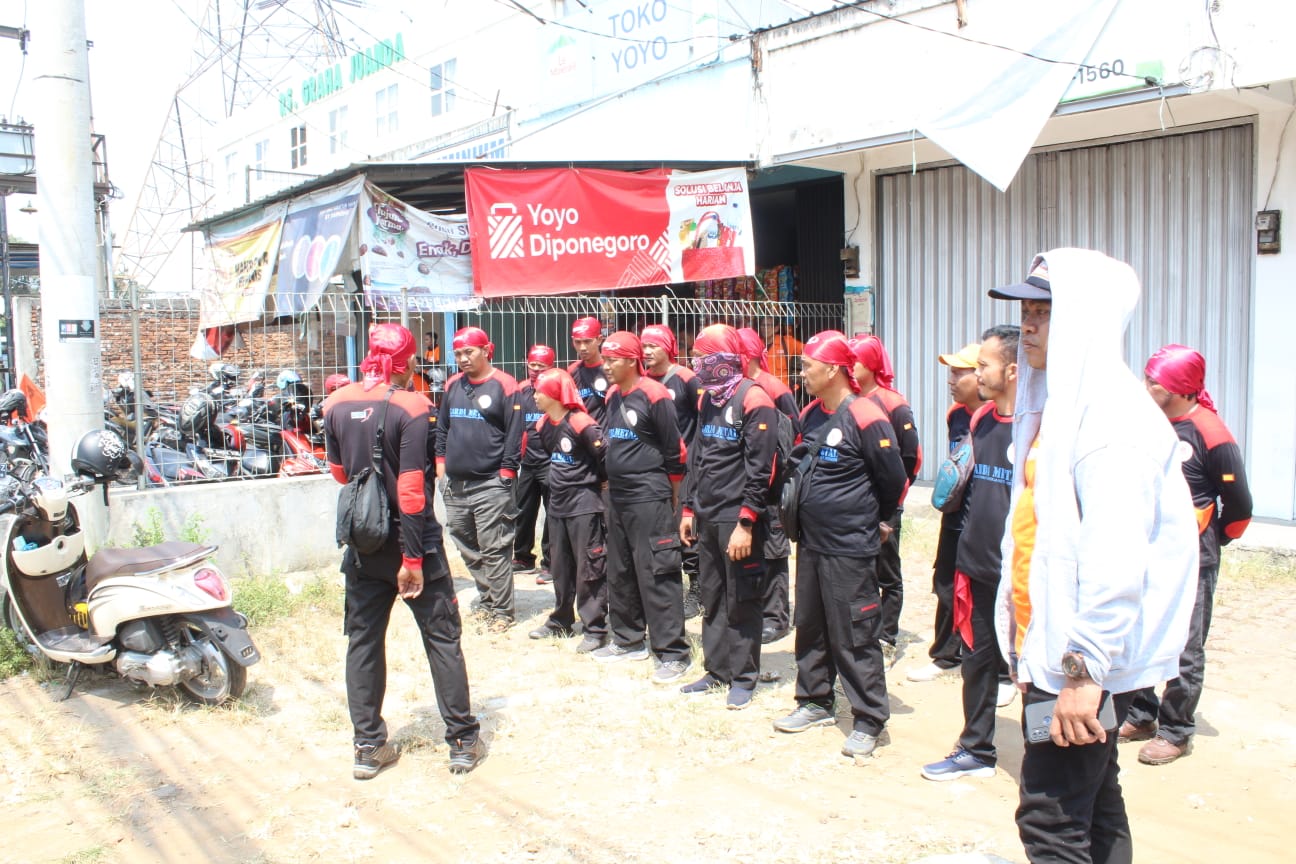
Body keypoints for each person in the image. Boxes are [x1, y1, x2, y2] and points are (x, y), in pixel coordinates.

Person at [990, 251, 1198, 863]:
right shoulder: (1061, 409)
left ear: (1086, 321)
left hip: (1080, 661)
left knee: (1051, 820)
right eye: (1026, 312)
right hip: (1054, 646)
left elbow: (1114, 561)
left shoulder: (1111, 423)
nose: (1028, 326)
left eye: (1044, 313)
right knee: (1097, 802)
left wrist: (1083, 673)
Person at [323, 323, 483, 778]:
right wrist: (412, 559)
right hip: (413, 545)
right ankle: (462, 741)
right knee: (442, 640)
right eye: (413, 357)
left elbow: (340, 473)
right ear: (406, 360)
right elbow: (412, 489)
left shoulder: (335, 404)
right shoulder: (413, 406)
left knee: (363, 642)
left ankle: (367, 746)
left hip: (363, 542)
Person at [771, 331, 906, 757]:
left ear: (832, 370)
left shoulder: (866, 415)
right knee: (810, 624)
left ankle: (869, 718)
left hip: (850, 545)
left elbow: (893, 478)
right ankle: (814, 700)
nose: (802, 373)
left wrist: (883, 521)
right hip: (812, 542)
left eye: (808, 366)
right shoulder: (811, 413)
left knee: (854, 631)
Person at [1118, 345, 1253, 766]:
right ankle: (1141, 713)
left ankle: (1176, 730)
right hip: (1147, 548)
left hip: (1193, 557)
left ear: (1179, 388)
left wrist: (1213, 537)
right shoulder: (1148, 423)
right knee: (1142, 630)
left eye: (1153, 382)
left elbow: (1240, 505)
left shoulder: (1210, 432)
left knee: (1185, 643)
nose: (1145, 387)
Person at [921, 325, 1020, 782]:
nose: (975, 374)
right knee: (977, 663)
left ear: (1012, 371)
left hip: (1021, 576)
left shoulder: (1041, 428)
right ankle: (976, 749)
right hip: (978, 567)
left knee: (1034, 673)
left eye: (983, 366)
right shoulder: (980, 421)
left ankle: (1048, 766)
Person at [679, 324, 778, 709]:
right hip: (708, 514)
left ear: (722, 359)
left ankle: (743, 677)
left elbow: (760, 469)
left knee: (742, 598)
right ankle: (717, 670)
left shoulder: (754, 400)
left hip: (738, 520)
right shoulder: (709, 399)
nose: (695, 363)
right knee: (714, 595)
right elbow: (699, 457)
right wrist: (689, 507)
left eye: (701, 356)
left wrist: (746, 523)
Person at [597, 330, 692, 681]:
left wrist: (674, 497)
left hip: (649, 496)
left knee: (657, 570)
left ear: (631, 360)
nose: (606, 366)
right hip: (618, 496)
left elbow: (674, 449)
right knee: (620, 569)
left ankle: (672, 652)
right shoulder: (612, 395)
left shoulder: (654, 394)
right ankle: (628, 639)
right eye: (605, 359)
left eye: (612, 360)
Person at [907, 342, 986, 683]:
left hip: (984, 520)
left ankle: (994, 667)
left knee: (984, 592)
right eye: (950, 373)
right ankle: (945, 655)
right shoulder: (955, 414)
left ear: (980, 375)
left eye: (958, 373)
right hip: (955, 516)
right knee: (945, 583)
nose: (951, 380)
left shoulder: (1000, 416)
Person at [435, 325, 524, 629]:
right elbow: (442, 428)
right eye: (458, 353)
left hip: (491, 484)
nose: (463, 358)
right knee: (466, 546)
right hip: (454, 485)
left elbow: (515, 434)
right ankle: (488, 598)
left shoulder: (505, 385)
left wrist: (506, 473)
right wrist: (441, 470)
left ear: (486, 350)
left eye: (469, 352)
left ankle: (502, 612)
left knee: (494, 548)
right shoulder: (453, 385)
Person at [526, 368, 610, 652]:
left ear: (554, 394)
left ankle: (594, 627)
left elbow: (604, 457)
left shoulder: (581, 423)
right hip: (558, 505)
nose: (535, 396)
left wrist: (599, 483)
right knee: (560, 567)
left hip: (584, 505)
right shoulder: (542, 425)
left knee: (589, 567)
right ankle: (561, 619)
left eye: (540, 391)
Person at [849, 335, 921, 661]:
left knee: (887, 571)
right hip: (857, 503)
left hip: (885, 504)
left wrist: (893, 503)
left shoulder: (893, 404)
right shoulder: (849, 400)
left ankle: (887, 636)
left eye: (856, 361)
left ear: (872, 365)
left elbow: (911, 457)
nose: (849, 367)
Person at [737, 327, 798, 645]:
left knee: (774, 551)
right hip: (749, 482)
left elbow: (794, 432)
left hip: (772, 486)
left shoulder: (773, 388)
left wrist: (778, 473)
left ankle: (776, 618)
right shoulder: (739, 388)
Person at [641, 323, 705, 620]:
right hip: (655, 469)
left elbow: (704, 418)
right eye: (643, 346)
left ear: (668, 348)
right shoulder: (642, 382)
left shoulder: (686, 379)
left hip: (685, 466)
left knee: (686, 529)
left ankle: (697, 589)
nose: (647, 351)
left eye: (653, 346)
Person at [513, 345, 556, 584]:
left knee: (553, 515)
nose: (536, 370)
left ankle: (551, 563)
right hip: (527, 463)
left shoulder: (556, 390)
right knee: (523, 510)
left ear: (551, 367)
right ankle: (522, 558)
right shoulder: (521, 390)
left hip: (551, 462)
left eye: (542, 366)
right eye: (532, 365)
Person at [569, 316, 610, 424]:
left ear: (599, 340)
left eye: (587, 341)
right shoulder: (572, 371)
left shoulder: (611, 369)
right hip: (583, 431)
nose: (582, 348)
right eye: (578, 342)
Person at [759, 318, 804, 395]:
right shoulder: (757, 344)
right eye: (763, 325)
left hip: (783, 391)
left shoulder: (787, 342)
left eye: (768, 325)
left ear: (776, 328)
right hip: (763, 390)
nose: (765, 328)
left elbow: (807, 349)